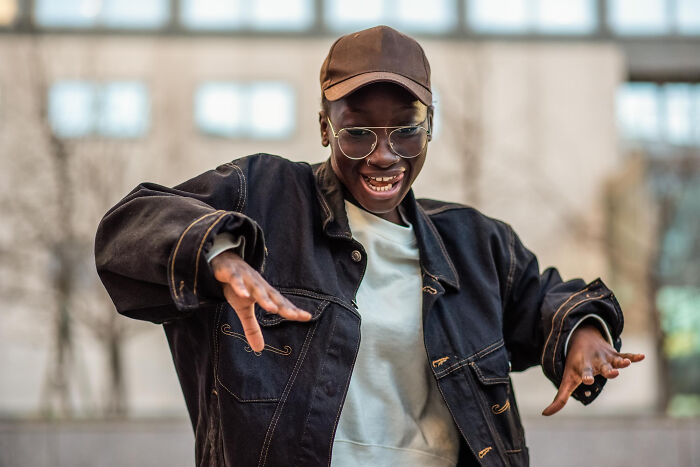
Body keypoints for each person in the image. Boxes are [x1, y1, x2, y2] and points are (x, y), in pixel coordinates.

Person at [95, 25, 644, 467]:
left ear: (429, 130)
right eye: (358, 132)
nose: (384, 156)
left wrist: (584, 330)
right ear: (324, 127)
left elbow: (545, 298)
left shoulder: (475, 244)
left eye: (405, 130)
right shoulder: (263, 194)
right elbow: (128, 227)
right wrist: (218, 254)